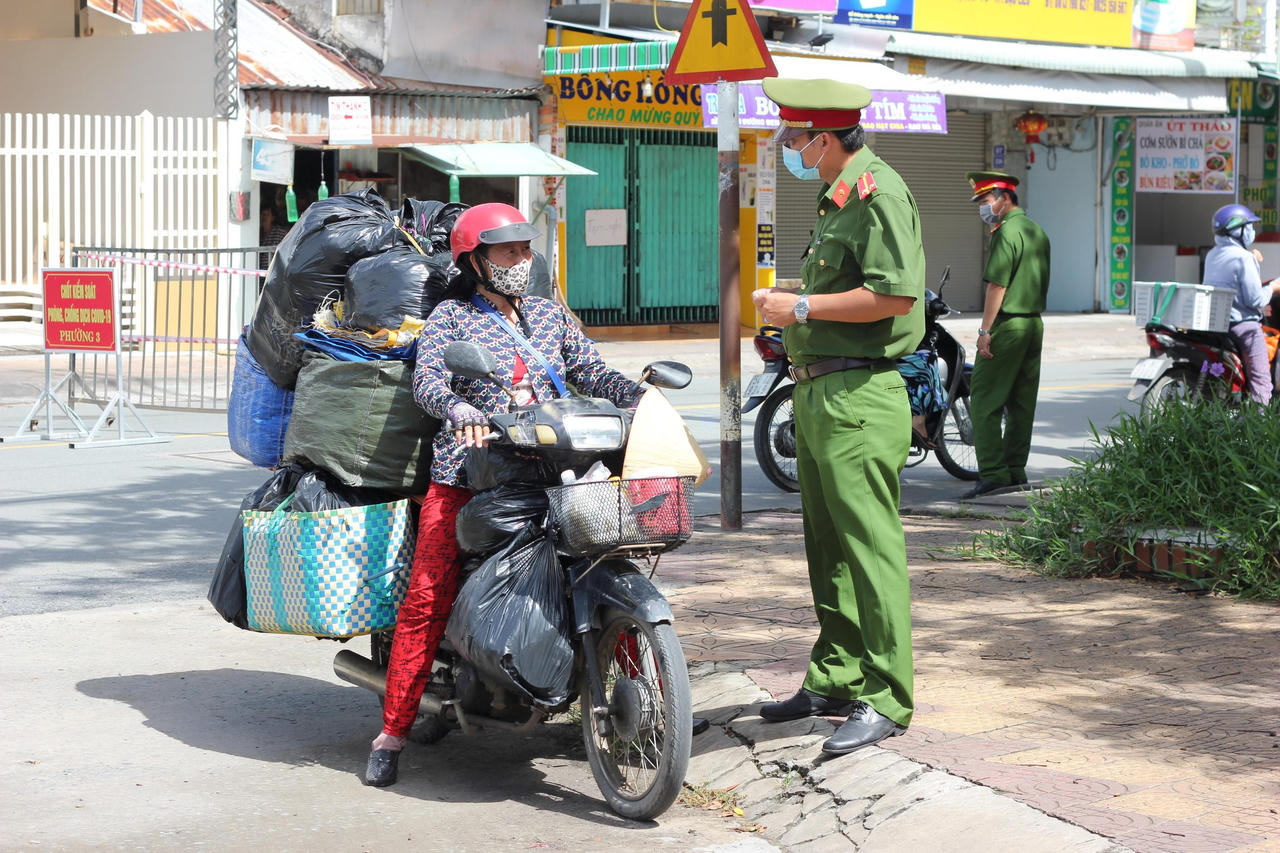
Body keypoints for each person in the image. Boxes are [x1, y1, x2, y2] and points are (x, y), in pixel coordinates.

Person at [365, 203, 646, 787]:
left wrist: (638, 396)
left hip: (552, 464)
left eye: (526, 249)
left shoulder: (548, 316)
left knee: (606, 557)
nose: (523, 259)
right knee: (427, 594)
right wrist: (462, 409)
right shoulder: (451, 318)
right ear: (476, 260)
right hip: (471, 472)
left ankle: (645, 697)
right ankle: (392, 731)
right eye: (509, 251)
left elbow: (591, 370)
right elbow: (431, 381)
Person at [752, 77, 924, 756]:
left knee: (870, 549)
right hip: (819, 391)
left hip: (860, 397)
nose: (789, 149)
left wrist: (799, 308)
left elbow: (896, 295)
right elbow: (845, 288)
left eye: (794, 139)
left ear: (825, 139)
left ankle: (885, 693)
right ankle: (835, 676)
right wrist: (797, 299)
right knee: (828, 548)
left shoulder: (878, 192)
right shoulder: (837, 198)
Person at [961, 171, 1051, 500]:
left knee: (984, 401)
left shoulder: (1006, 232)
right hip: (1033, 325)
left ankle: (994, 475)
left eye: (986, 201)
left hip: (1008, 325)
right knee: (1021, 403)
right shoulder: (1036, 231)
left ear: (1005, 198)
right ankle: (1015, 470)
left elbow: (997, 285)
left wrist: (985, 330)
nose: (984, 209)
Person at [1203, 203, 1280, 404]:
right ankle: (1261, 424)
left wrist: (1252, 258)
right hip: (1243, 327)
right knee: (1261, 379)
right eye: (1250, 227)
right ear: (1239, 230)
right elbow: (1256, 300)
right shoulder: (1245, 258)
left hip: (1217, 325)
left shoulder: (1212, 255)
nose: (1252, 232)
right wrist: (1273, 287)